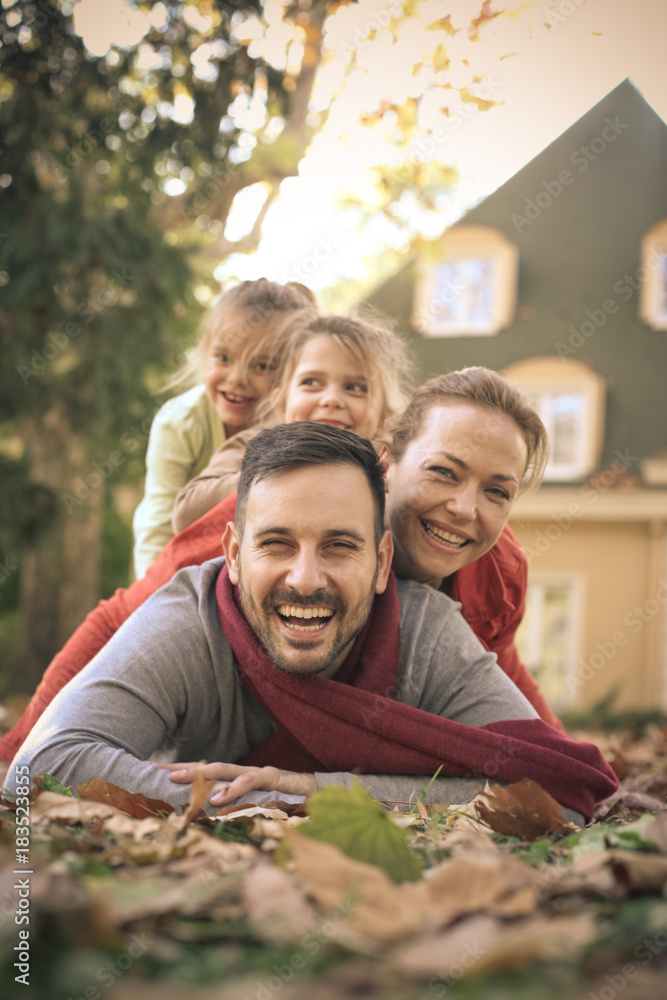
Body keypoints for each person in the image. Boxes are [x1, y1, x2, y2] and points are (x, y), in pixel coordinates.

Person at [4, 424, 617, 821]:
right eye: (276, 543)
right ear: (234, 556)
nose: (304, 578)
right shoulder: (186, 619)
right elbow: (45, 761)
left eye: (338, 546)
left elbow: (556, 797)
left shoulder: (429, 632)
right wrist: (265, 802)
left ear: (382, 563)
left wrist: (313, 792)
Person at [0, 368, 561, 771]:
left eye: (497, 491)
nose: (465, 508)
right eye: (444, 471)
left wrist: (558, 752)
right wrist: (17, 753)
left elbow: (501, 671)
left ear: (382, 560)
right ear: (388, 462)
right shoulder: (266, 518)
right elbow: (122, 620)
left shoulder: (495, 578)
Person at [132, 278, 315, 577]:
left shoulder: (294, 424)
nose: (236, 378)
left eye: (261, 366)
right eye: (223, 358)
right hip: (184, 567)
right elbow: (158, 525)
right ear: (205, 352)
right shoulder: (180, 422)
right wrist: (152, 598)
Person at [171, 310, 415, 531]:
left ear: (384, 416)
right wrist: (283, 468)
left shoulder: (388, 465)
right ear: (281, 404)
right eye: (311, 382)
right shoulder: (249, 446)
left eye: (355, 387)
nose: (331, 399)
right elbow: (186, 513)